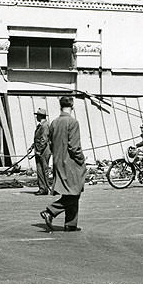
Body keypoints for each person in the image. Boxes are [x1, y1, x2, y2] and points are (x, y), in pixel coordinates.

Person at [39, 96, 87, 232]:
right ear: (72, 106)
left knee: (69, 192)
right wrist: (82, 160)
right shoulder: (73, 122)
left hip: (58, 161)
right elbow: (74, 147)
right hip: (71, 163)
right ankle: (50, 211)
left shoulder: (54, 122)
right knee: (75, 192)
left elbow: (51, 143)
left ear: (60, 106)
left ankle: (71, 224)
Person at [29, 108, 51, 195]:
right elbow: (39, 138)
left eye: (37, 116)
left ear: (40, 116)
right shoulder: (41, 125)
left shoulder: (45, 125)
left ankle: (46, 188)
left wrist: (39, 150)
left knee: (44, 169)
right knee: (39, 169)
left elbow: (44, 139)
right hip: (40, 149)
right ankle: (42, 188)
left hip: (44, 150)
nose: (36, 117)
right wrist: (32, 146)